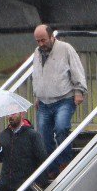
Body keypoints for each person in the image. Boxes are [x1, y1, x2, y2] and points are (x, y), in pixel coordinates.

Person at [31, 24, 88, 175]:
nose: (40, 44)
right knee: (44, 136)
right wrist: (37, 95)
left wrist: (79, 91)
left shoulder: (65, 48)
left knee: (62, 128)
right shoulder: (36, 53)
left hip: (64, 98)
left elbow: (77, 70)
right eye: (38, 41)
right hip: (44, 102)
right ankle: (51, 167)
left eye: (43, 40)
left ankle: (65, 162)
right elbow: (36, 76)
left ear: (52, 37)